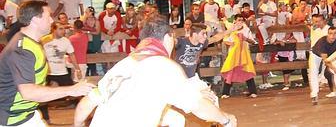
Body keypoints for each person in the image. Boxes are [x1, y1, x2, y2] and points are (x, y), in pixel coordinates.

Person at [74, 14, 237, 127]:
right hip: (182, 82)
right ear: (167, 37)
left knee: (176, 119)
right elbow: (199, 107)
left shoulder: (123, 64)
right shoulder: (165, 66)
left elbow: (83, 108)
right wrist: (226, 119)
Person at [0, 0, 93, 127]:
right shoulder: (22, 49)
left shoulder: (32, 43)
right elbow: (29, 92)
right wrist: (72, 89)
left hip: (27, 114)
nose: (51, 21)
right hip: (12, 120)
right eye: (48, 16)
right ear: (35, 19)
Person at [39, 22, 82, 122]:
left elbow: (72, 55)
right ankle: (46, 119)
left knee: (74, 93)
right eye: (60, 29)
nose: (63, 31)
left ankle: (82, 116)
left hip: (62, 72)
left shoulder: (66, 41)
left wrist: (78, 69)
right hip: (48, 73)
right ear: (53, 29)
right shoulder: (44, 40)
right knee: (43, 96)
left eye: (64, 29)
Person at [175, 22, 241, 79]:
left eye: (206, 34)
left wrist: (231, 30)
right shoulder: (181, 41)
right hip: (178, 77)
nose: (205, 36)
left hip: (191, 78)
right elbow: (170, 41)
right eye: (203, 34)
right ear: (195, 34)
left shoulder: (202, 43)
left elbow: (215, 38)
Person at [220, 15, 258, 98]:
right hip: (233, 54)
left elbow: (253, 41)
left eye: (242, 20)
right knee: (230, 70)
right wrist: (231, 43)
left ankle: (253, 91)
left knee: (247, 70)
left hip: (244, 54)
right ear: (235, 21)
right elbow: (225, 40)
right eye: (239, 20)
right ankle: (225, 93)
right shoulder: (231, 29)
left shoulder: (246, 29)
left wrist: (245, 39)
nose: (240, 22)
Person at [309, 26, 336, 105]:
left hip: (331, 55)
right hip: (316, 55)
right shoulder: (322, 42)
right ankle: (314, 95)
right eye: (330, 33)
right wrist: (334, 68)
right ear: (327, 34)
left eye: (335, 33)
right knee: (314, 72)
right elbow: (325, 60)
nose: (333, 36)